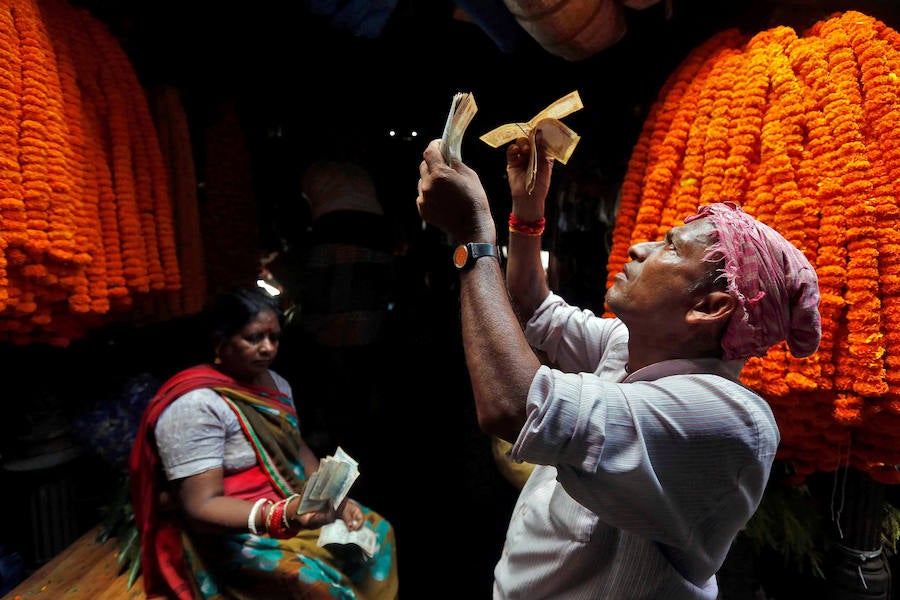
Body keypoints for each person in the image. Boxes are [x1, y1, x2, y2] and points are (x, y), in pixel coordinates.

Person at [415, 128, 821, 599]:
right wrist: (527, 211)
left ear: (708, 308)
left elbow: (512, 406)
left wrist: (474, 236)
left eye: (670, 247)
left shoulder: (728, 418)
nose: (639, 248)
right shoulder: (627, 344)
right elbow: (531, 306)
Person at [128, 286, 399, 600]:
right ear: (219, 342)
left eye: (274, 338)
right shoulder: (196, 405)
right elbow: (200, 506)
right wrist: (279, 516)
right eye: (254, 338)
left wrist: (335, 501)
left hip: (292, 510)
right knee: (319, 590)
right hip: (236, 534)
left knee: (377, 533)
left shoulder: (276, 383)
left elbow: (296, 448)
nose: (268, 348)